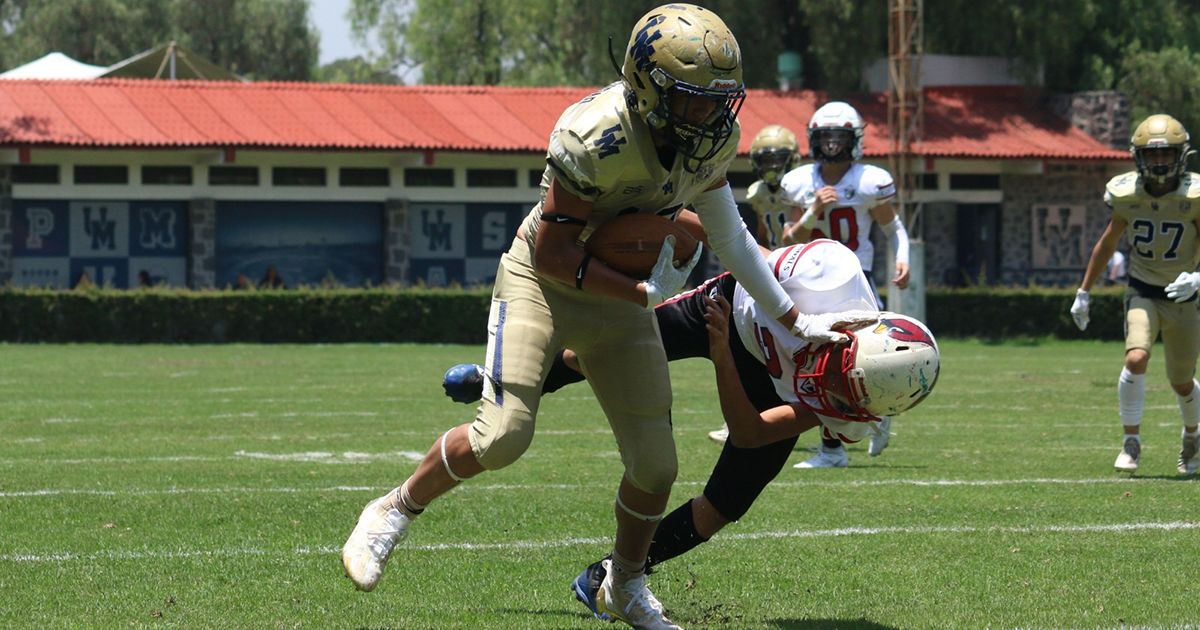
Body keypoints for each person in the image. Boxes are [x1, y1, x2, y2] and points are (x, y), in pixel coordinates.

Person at [340, 6, 871, 629]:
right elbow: (552, 252)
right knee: (504, 436)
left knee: (656, 466)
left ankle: (624, 583)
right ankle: (394, 508)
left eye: (717, 102)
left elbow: (732, 240)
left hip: (621, 300)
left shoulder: (711, 141)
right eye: (693, 100)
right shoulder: (596, 134)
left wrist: (793, 319)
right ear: (649, 87)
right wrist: (640, 290)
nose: (709, 117)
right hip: (543, 284)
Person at [442, 239, 940, 620]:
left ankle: (615, 573)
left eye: (843, 395)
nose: (826, 387)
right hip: (735, 309)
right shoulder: (828, 274)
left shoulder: (851, 401)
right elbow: (740, 247)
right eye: (836, 375)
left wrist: (723, 356)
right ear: (853, 332)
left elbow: (749, 433)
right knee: (599, 350)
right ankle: (501, 378)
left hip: (758, 371)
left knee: (724, 504)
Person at [778, 101, 911, 469]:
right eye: (826, 138)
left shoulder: (868, 181)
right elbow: (788, 239)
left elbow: (893, 228)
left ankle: (852, 435)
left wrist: (904, 258)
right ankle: (843, 441)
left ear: (854, 141)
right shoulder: (800, 182)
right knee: (814, 362)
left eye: (839, 138)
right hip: (809, 279)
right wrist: (813, 210)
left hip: (854, 278)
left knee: (852, 360)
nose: (832, 145)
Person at [1070, 113, 1200, 475]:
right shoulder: (1126, 194)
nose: (1159, 161)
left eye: (1166, 153)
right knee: (1136, 357)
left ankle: (1193, 435)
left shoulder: (1194, 195)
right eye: (1152, 153)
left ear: (1181, 155)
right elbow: (1107, 243)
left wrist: (1197, 278)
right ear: (1138, 156)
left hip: (1184, 296)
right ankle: (1131, 440)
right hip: (1142, 288)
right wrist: (1084, 290)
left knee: (1181, 381)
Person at [707, 124, 801, 445]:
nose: (772, 167)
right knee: (753, 342)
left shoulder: (802, 187)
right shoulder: (758, 192)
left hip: (798, 270)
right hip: (773, 270)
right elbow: (760, 234)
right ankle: (747, 412)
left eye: (778, 160)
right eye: (766, 160)